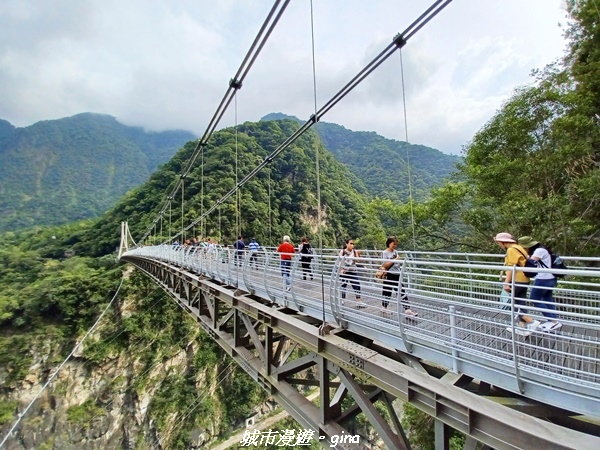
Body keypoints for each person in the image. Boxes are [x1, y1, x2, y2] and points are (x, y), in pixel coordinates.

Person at [494, 232, 539, 336]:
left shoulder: (511, 250)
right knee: (520, 302)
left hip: (517, 280)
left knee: (514, 304)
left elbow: (511, 268)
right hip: (524, 280)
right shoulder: (519, 247)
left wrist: (506, 283)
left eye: (499, 242)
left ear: (503, 242)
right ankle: (522, 328)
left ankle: (532, 322)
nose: (499, 245)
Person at [518, 236, 562, 331]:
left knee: (534, 299)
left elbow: (530, 263)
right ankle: (553, 321)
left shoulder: (539, 251)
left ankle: (553, 321)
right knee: (547, 298)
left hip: (544, 279)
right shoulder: (542, 249)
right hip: (550, 278)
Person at [381, 237, 417, 316]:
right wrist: (395, 260)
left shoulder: (396, 252)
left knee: (401, 292)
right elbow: (384, 265)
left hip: (397, 274)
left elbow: (398, 264)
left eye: (396, 244)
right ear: (389, 243)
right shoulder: (385, 253)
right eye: (394, 244)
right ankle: (384, 307)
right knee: (387, 292)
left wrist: (397, 260)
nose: (395, 245)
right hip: (389, 274)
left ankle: (407, 309)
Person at [339, 239, 364, 308]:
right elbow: (339, 261)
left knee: (357, 285)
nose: (352, 245)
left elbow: (358, 260)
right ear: (346, 244)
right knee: (343, 286)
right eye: (350, 243)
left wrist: (358, 255)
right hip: (345, 271)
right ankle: (342, 300)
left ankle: (358, 301)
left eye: (353, 244)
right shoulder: (343, 251)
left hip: (352, 271)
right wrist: (341, 269)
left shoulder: (354, 251)